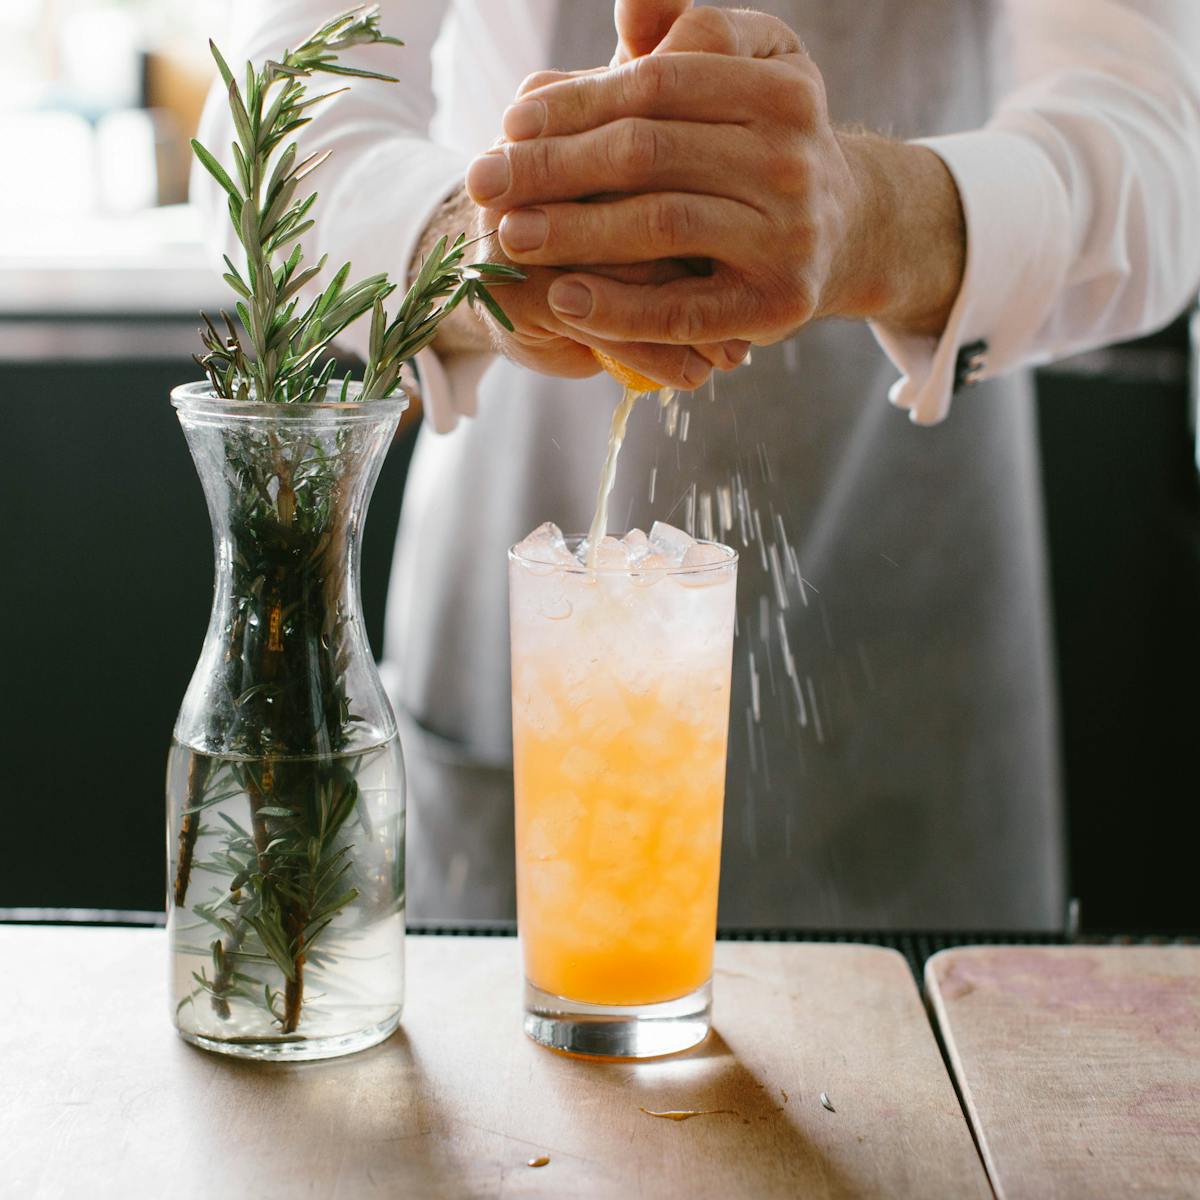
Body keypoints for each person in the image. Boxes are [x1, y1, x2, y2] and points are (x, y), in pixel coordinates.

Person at [196, 1, 1200, 930]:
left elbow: (1163, 140)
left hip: (908, 613)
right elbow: (273, 123)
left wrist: (871, 216)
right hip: (522, 578)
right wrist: (483, 255)